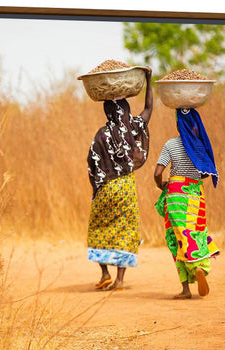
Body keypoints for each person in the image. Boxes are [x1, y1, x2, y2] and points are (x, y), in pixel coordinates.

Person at [87, 68, 153, 291]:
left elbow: (93, 162)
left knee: (98, 228)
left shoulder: (101, 134)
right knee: (125, 230)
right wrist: (149, 79)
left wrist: (96, 189)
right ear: (126, 109)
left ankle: (104, 272)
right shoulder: (134, 128)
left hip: (106, 188)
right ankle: (120, 280)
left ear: (107, 111)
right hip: (125, 187)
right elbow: (149, 108)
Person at [154, 108, 220, 299]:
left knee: (176, 238)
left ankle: (186, 287)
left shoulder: (171, 145)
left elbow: (158, 173)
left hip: (176, 195)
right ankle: (201, 267)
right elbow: (207, 171)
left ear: (178, 125)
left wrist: (162, 185)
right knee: (197, 233)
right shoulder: (200, 146)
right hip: (195, 195)